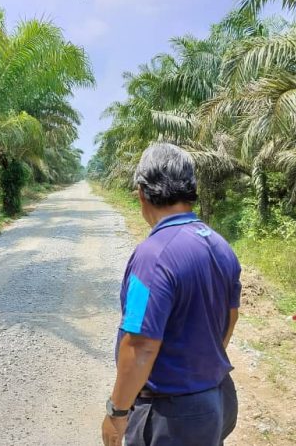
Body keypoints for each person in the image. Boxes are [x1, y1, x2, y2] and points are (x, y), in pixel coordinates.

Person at [101, 143, 241, 446]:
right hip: (216, 398)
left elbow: (139, 344)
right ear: (190, 188)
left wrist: (117, 412)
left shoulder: (152, 256)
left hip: (171, 415)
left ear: (142, 192)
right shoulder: (220, 245)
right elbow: (230, 318)